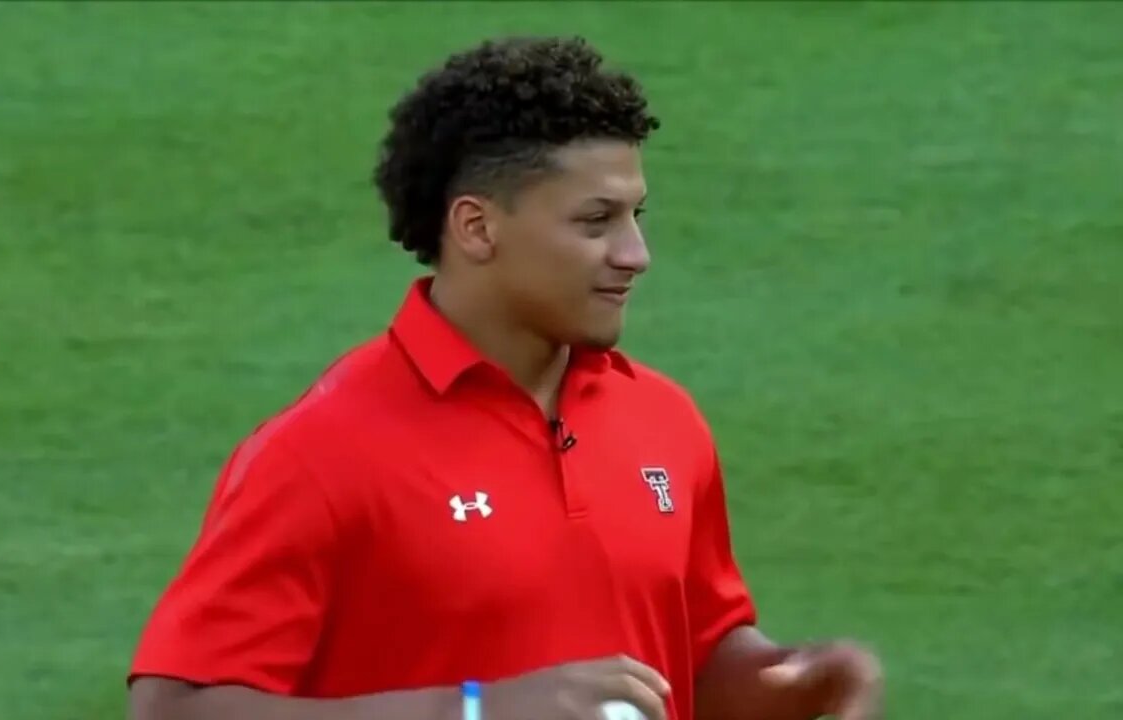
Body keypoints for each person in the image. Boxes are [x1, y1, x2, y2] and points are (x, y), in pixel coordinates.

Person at [127, 36, 883, 720]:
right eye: (596, 223)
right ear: (477, 228)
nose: (635, 253)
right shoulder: (322, 453)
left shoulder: (664, 420)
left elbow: (683, 662)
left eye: (635, 215)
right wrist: (475, 713)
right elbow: (173, 711)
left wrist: (789, 680)